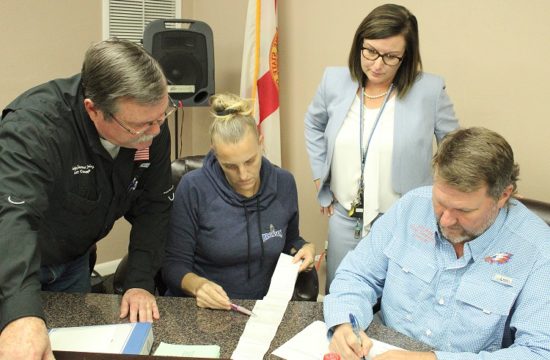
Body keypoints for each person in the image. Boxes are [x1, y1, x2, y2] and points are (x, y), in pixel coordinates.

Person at [0, 39, 174, 359]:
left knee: (68, 349)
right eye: (141, 125)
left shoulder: (151, 124)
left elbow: (155, 205)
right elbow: (14, 217)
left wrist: (138, 281)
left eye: (162, 116)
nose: (155, 131)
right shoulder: (34, 126)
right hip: (15, 265)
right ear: (93, 109)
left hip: (74, 261)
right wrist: (21, 314)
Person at [324, 127, 550, 360]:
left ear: (503, 196)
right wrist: (344, 323)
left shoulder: (538, 251)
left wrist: (431, 359)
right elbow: (357, 275)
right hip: (379, 350)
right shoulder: (412, 207)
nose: (445, 220)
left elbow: (540, 352)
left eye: (463, 210)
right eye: (440, 202)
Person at [304, 3, 459, 291]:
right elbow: (313, 125)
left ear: (406, 57)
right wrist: (319, 174)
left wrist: (484, 186)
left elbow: (457, 146)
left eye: (390, 57)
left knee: (399, 304)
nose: (377, 65)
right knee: (342, 295)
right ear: (359, 45)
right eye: (371, 51)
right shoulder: (334, 81)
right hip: (345, 219)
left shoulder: (429, 90)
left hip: (405, 221)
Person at [163, 93, 315, 309]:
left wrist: (305, 247)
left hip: (263, 309)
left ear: (261, 143)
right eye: (230, 166)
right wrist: (198, 286)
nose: (243, 175)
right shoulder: (193, 188)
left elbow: (290, 241)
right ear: (215, 154)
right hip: (206, 309)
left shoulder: (284, 183)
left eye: (250, 161)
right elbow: (173, 265)